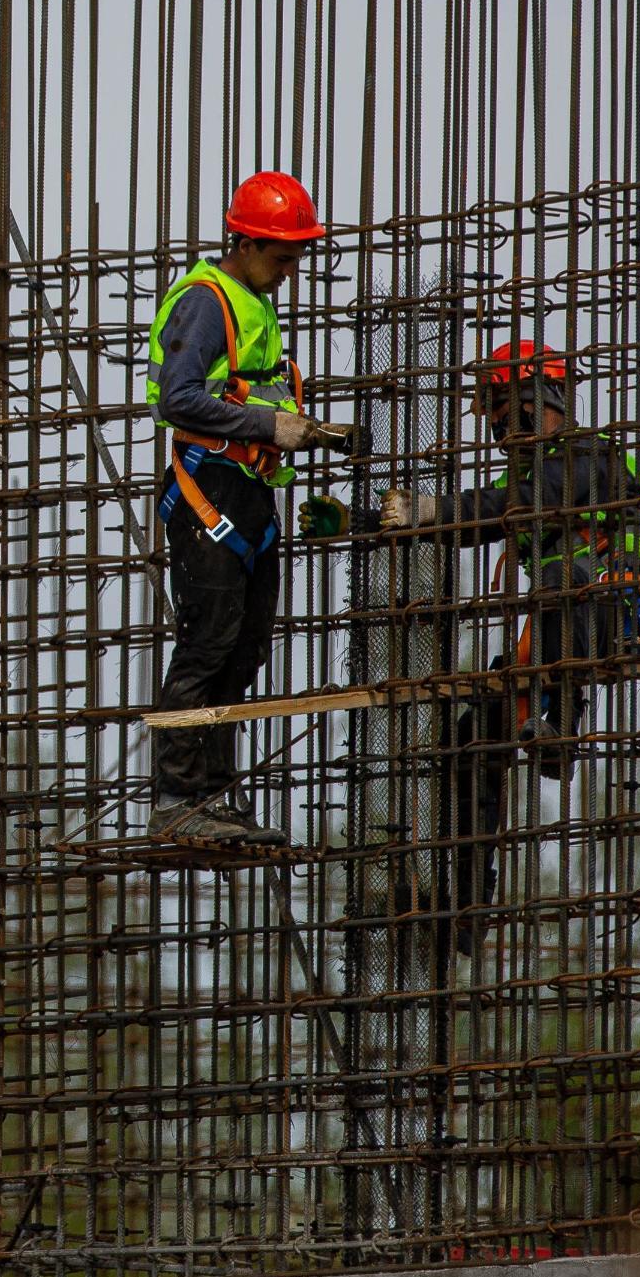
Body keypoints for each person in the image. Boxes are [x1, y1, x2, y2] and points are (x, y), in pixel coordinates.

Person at [380, 339, 640, 944]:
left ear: (538, 398)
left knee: (563, 578)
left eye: (503, 405)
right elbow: (491, 516)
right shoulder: (531, 470)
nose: (498, 422)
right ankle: (468, 904)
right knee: (472, 737)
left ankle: (563, 724)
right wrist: (364, 522)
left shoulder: (583, 454)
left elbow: (517, 507)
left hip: (608, 612)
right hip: (555, 631)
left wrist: (430, 509)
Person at [141, 171, 366, 862]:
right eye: (282, 256)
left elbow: (250, 391)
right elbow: (177, 398)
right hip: (208, 492)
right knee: (208, 642)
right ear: (243, 242)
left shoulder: (253, 304)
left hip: (249, 495)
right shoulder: (209, 300)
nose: (291, 271)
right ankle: (177, 801)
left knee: (245, 648)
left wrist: (301, 432)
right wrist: (273, 424)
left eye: (297, 257)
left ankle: (213, 793)